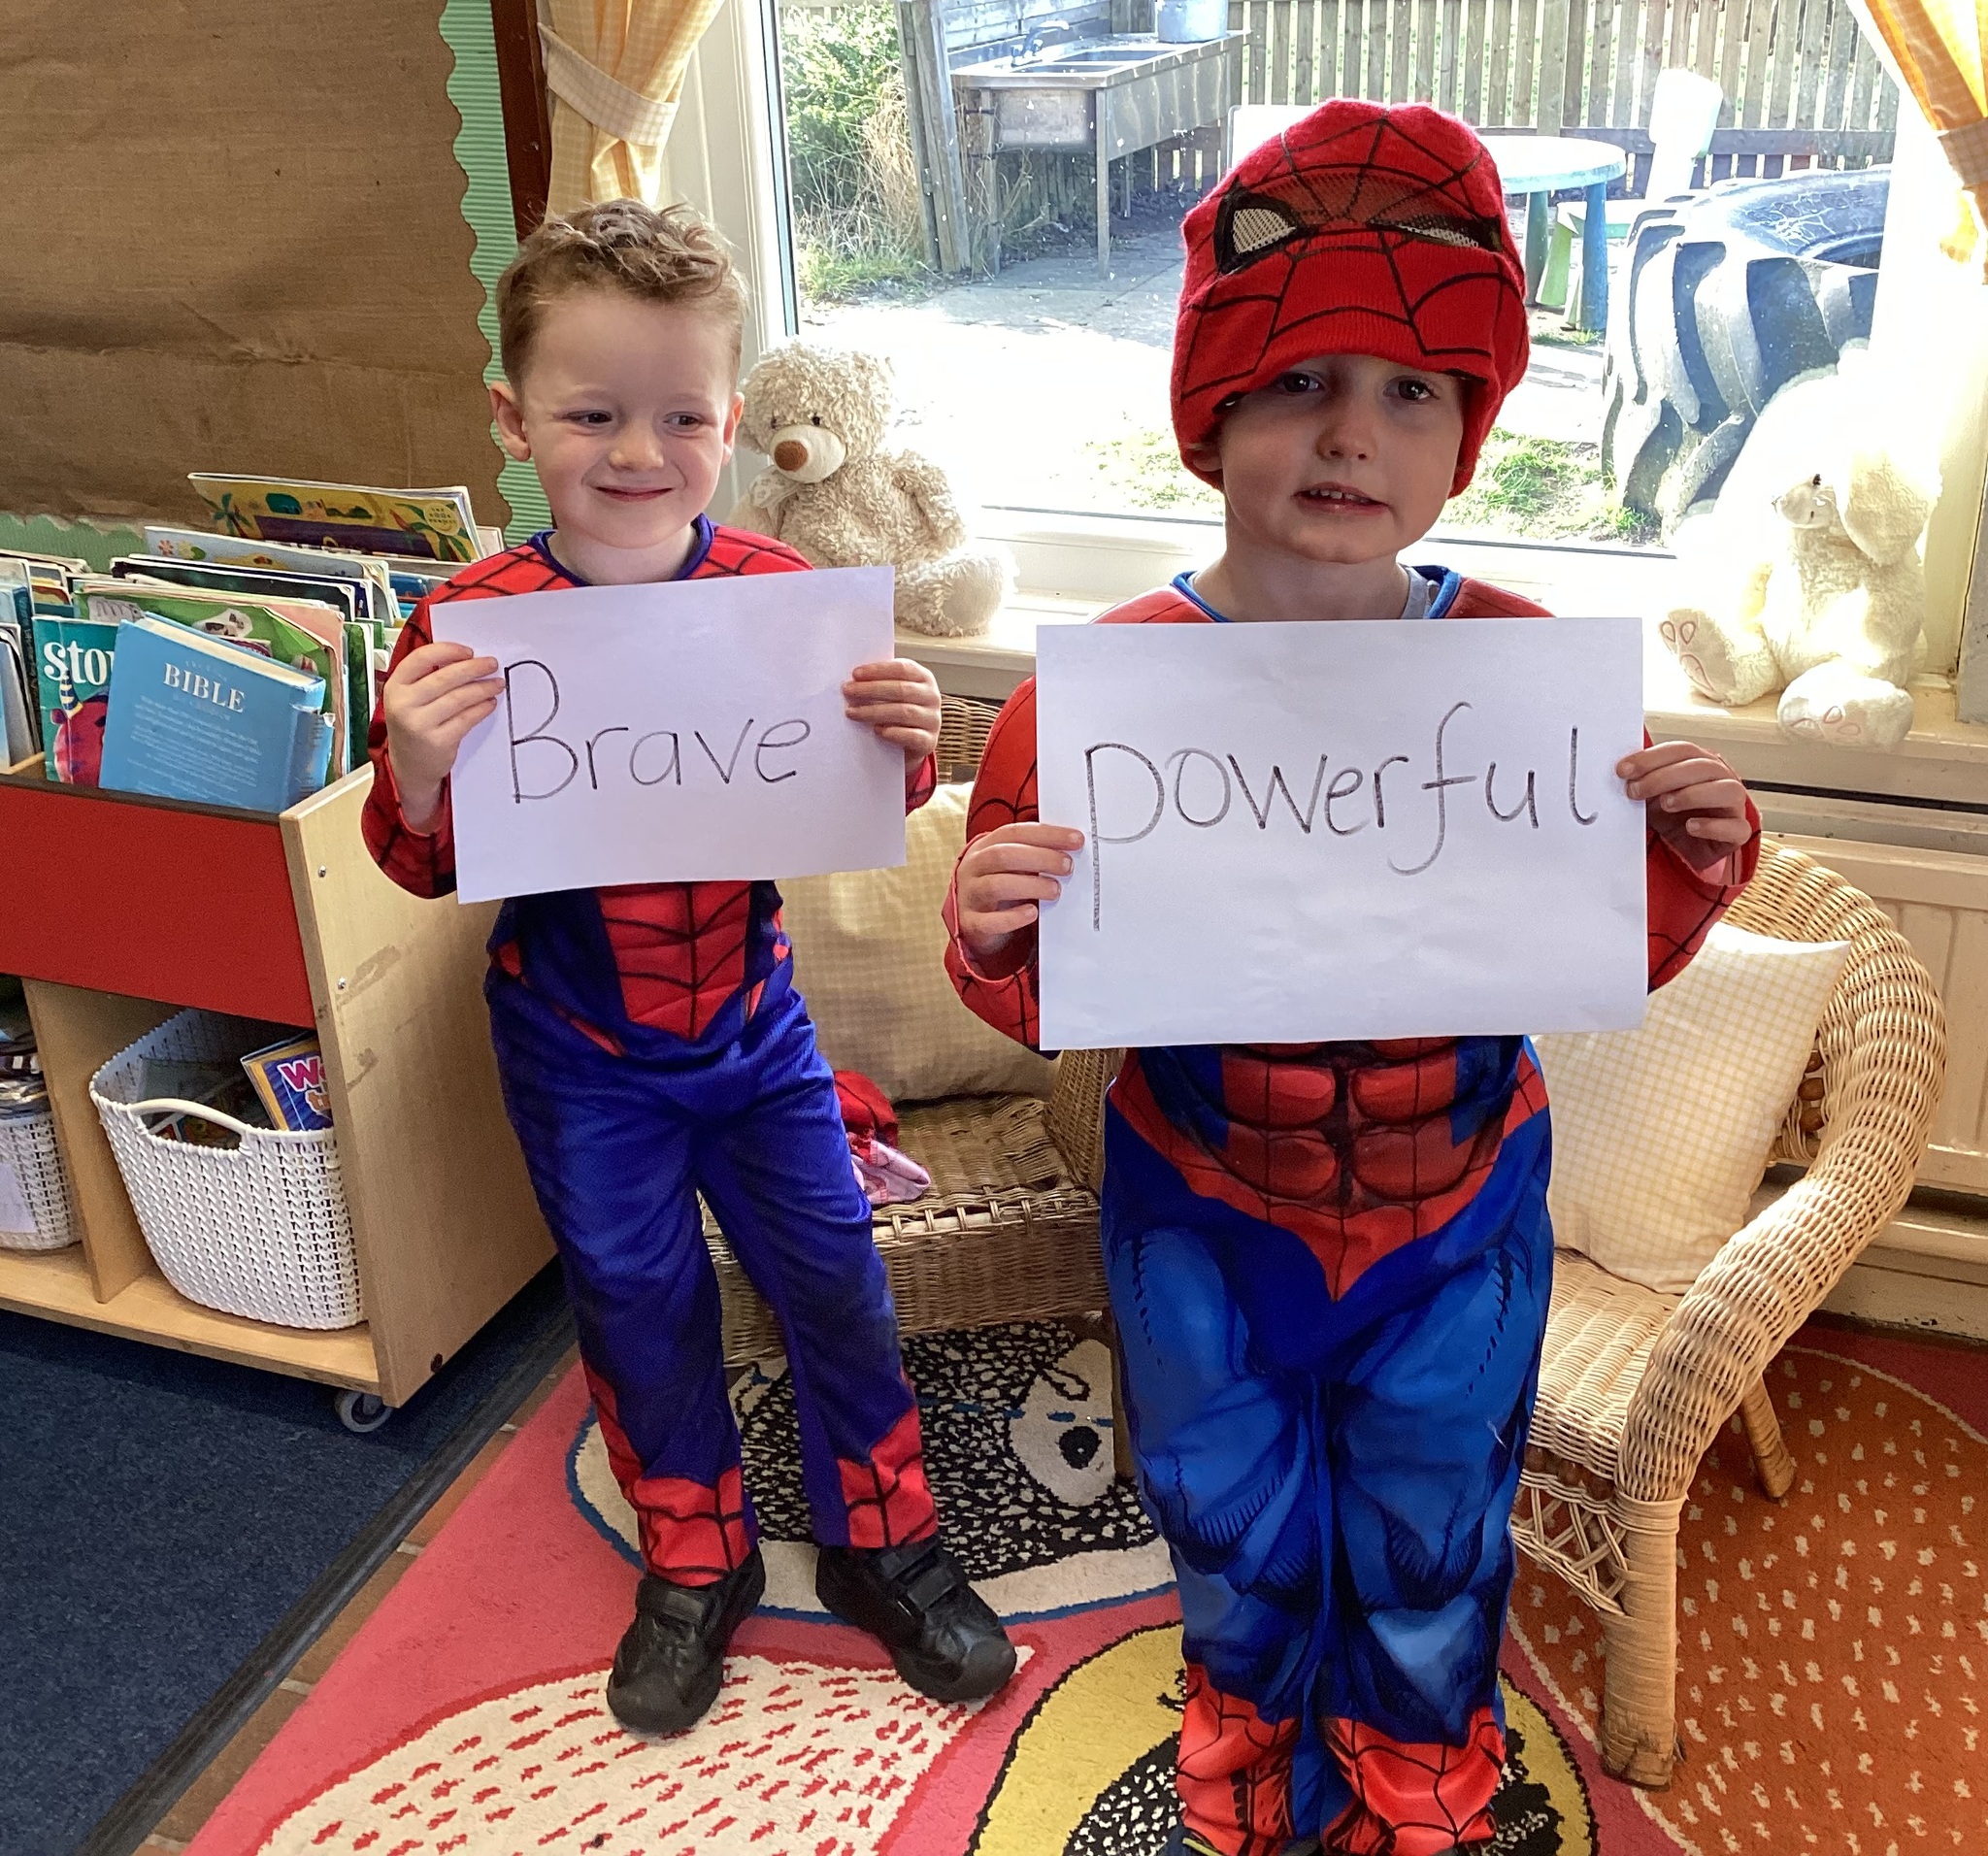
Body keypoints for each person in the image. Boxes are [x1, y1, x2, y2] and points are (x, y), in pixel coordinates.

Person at [944, 101, 1759, 1856]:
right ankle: (1242, 1741)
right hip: (1200, 1192)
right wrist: (997, 928)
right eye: (1300, 380)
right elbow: (1034, 985)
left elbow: (1597, 943)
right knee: (1224, 1519)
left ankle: (1418, 1768)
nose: (1351, 433)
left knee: (1431, 1527)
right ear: (1213, 407)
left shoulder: (1524, 678)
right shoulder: (1094, 701)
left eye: (1410, 392)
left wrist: (1688, 853)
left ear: (1468, 430)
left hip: (1457, 1197)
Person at [362, 198, 1014, 1737]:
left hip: (756, 1029)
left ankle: (884, 1540)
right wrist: (417, 768)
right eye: (592, 414)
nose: (639, 452)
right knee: (636, 1299)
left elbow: (849, 794)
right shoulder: (467, 626)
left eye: (681, 416)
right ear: (514, 418)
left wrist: (906, 744)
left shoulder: (779, 593)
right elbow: (422, 864)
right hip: (577, 1048)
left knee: (836, 1282)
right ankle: (694, 1557)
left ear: (728, 421)